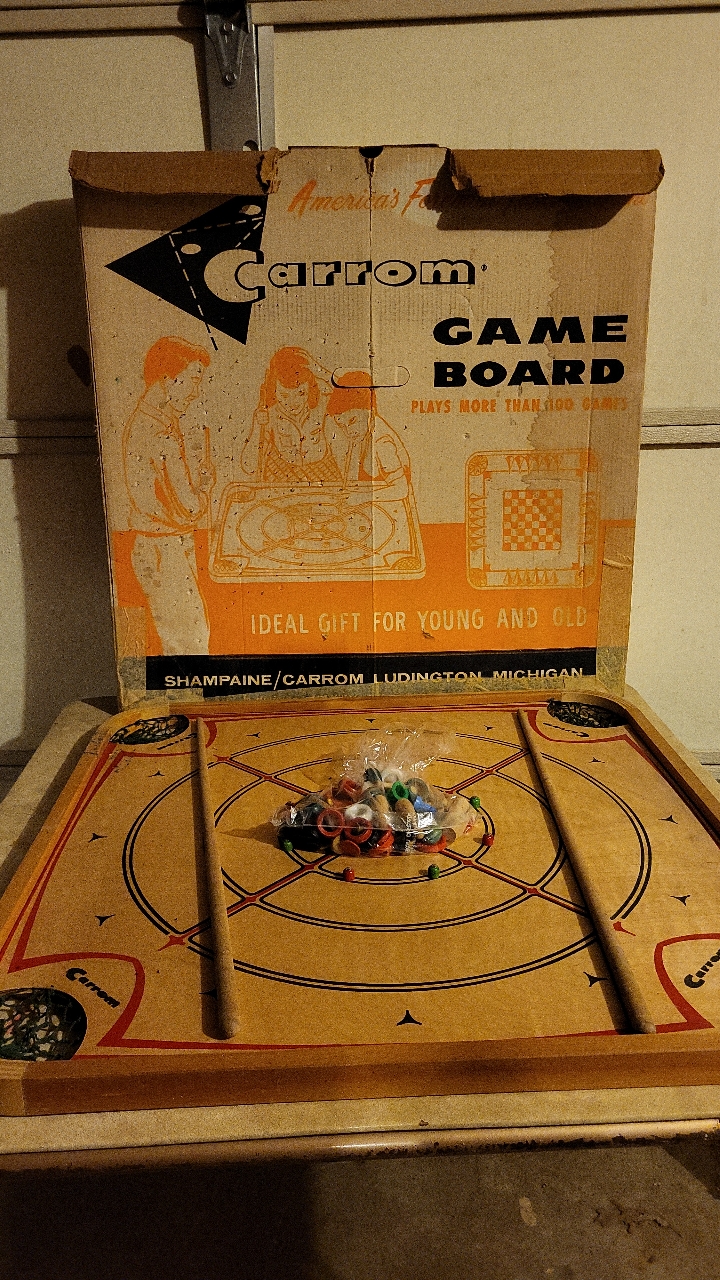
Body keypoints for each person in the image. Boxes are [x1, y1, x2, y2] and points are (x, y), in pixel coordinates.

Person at [123, 336, 214, 655]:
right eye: (192, 380)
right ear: (166, 378)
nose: (195, 392)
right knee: (191, 644)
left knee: (185, 640)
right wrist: (205, 486)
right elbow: (188, 508)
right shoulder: (158, 432)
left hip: (163, 546)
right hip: (163, 549)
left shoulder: (154, 421)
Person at [241, 346, 344, 484]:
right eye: (284, 395)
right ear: (274, 391)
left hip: (324, 476)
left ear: (310, 389)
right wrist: (257, 426)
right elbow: (249, 466)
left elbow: (350, 393)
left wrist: (319, 371)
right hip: (282, 478)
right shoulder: (269, 415)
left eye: (301, 393)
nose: (293, 403)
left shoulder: (322, 405)